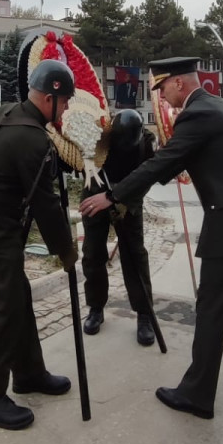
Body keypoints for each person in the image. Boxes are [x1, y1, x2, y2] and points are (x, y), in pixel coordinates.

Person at [79, 57, 223, 420]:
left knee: (211, 310)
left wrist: (111, 196)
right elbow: (172, 162)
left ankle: (198, 394)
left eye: (162, 89)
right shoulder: (219, 105)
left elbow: (162, 163)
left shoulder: (197, 114)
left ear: (177, 83)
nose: (163, 98)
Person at [0, 60, 79, 430]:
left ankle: (28, 374)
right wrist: (67, 251)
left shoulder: (6, 111)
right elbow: (45, 205)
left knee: (18, 296)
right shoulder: (32, 138)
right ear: (48, 98)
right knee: (5, 307)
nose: (68, 109)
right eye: (66, 101)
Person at [81, 110, 156, 346]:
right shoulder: (97, 136)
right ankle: (95, 307)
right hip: (96, 195)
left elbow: (146, 178)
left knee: (135, 255)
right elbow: (84, 165)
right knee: (93, 253)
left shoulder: (145, 144)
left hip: (128, 200)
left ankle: (144, 313)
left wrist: (120, 199)